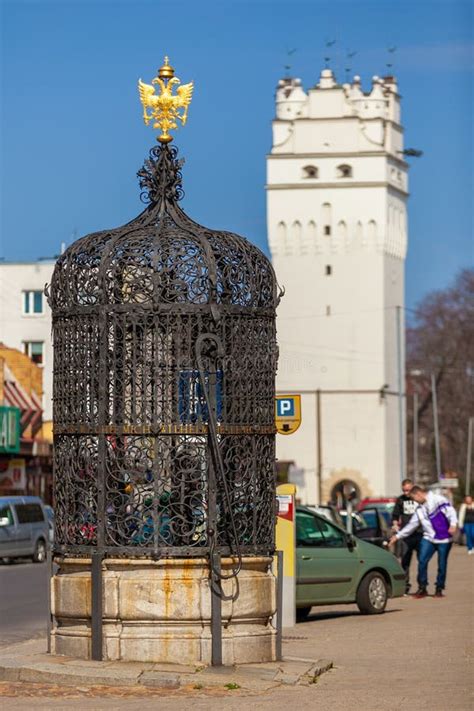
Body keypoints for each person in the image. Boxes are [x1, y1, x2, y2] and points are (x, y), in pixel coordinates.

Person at [389, 485, 457, 598]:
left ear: (418, 494)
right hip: (429, 537)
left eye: (414, 499)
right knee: (422, 560)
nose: (415, 502)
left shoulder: (438, 499)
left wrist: (453, 524)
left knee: (442, 564)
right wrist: (397, 536)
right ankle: (422, 588)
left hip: (444, 538)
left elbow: (451, 511)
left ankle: (439, 588)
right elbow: (411, 525)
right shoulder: (420, 509)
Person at [391, 478, 422, 594]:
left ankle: (421, 586)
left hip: (420, 533)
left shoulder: (419, 498)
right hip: (406, 535)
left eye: (408, 490)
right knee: (405, 562)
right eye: (404, 490)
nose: (406, 493)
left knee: (422, 561)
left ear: (413, 488)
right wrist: (395, 524)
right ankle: (405, 586)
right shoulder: (400, 500)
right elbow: (395, 515)